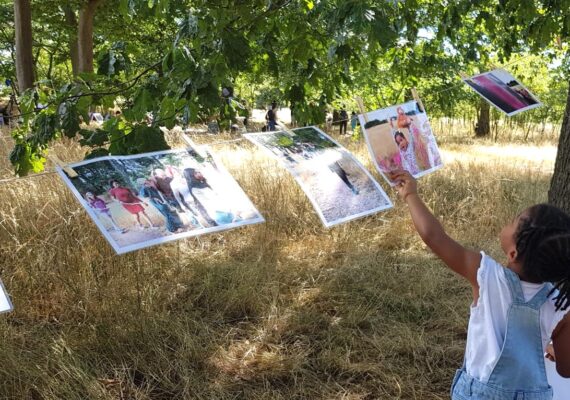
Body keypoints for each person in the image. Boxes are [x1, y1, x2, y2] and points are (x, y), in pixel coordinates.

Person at [390, 170, 570, 400]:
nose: (508, 222)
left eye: (513, 221)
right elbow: (566, 369)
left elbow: (433, 236)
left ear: (513, 253)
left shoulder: (486, 275)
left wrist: (411, 194)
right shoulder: (560, 306)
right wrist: (552, 348)